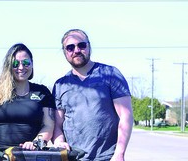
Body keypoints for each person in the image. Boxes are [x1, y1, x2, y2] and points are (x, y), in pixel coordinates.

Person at [52, 29, 133, 161]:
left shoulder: (110, 74)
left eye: (81, 45)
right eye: (70, 47)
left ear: (89, 46)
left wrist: (119, 153)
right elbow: (57, 125)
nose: (76, 50)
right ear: (65, 52)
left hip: (107, 157)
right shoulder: (60, 85)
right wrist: (59, 142)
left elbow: (126, 115)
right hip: (73, 157)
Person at [0, 43, 55, 161]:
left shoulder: (42, 92)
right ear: (8, 66)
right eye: (15, 64)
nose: (21, 67)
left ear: (32, 64)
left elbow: (48, 125)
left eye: (26, 63)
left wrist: (36, 143)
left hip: (30, 157)